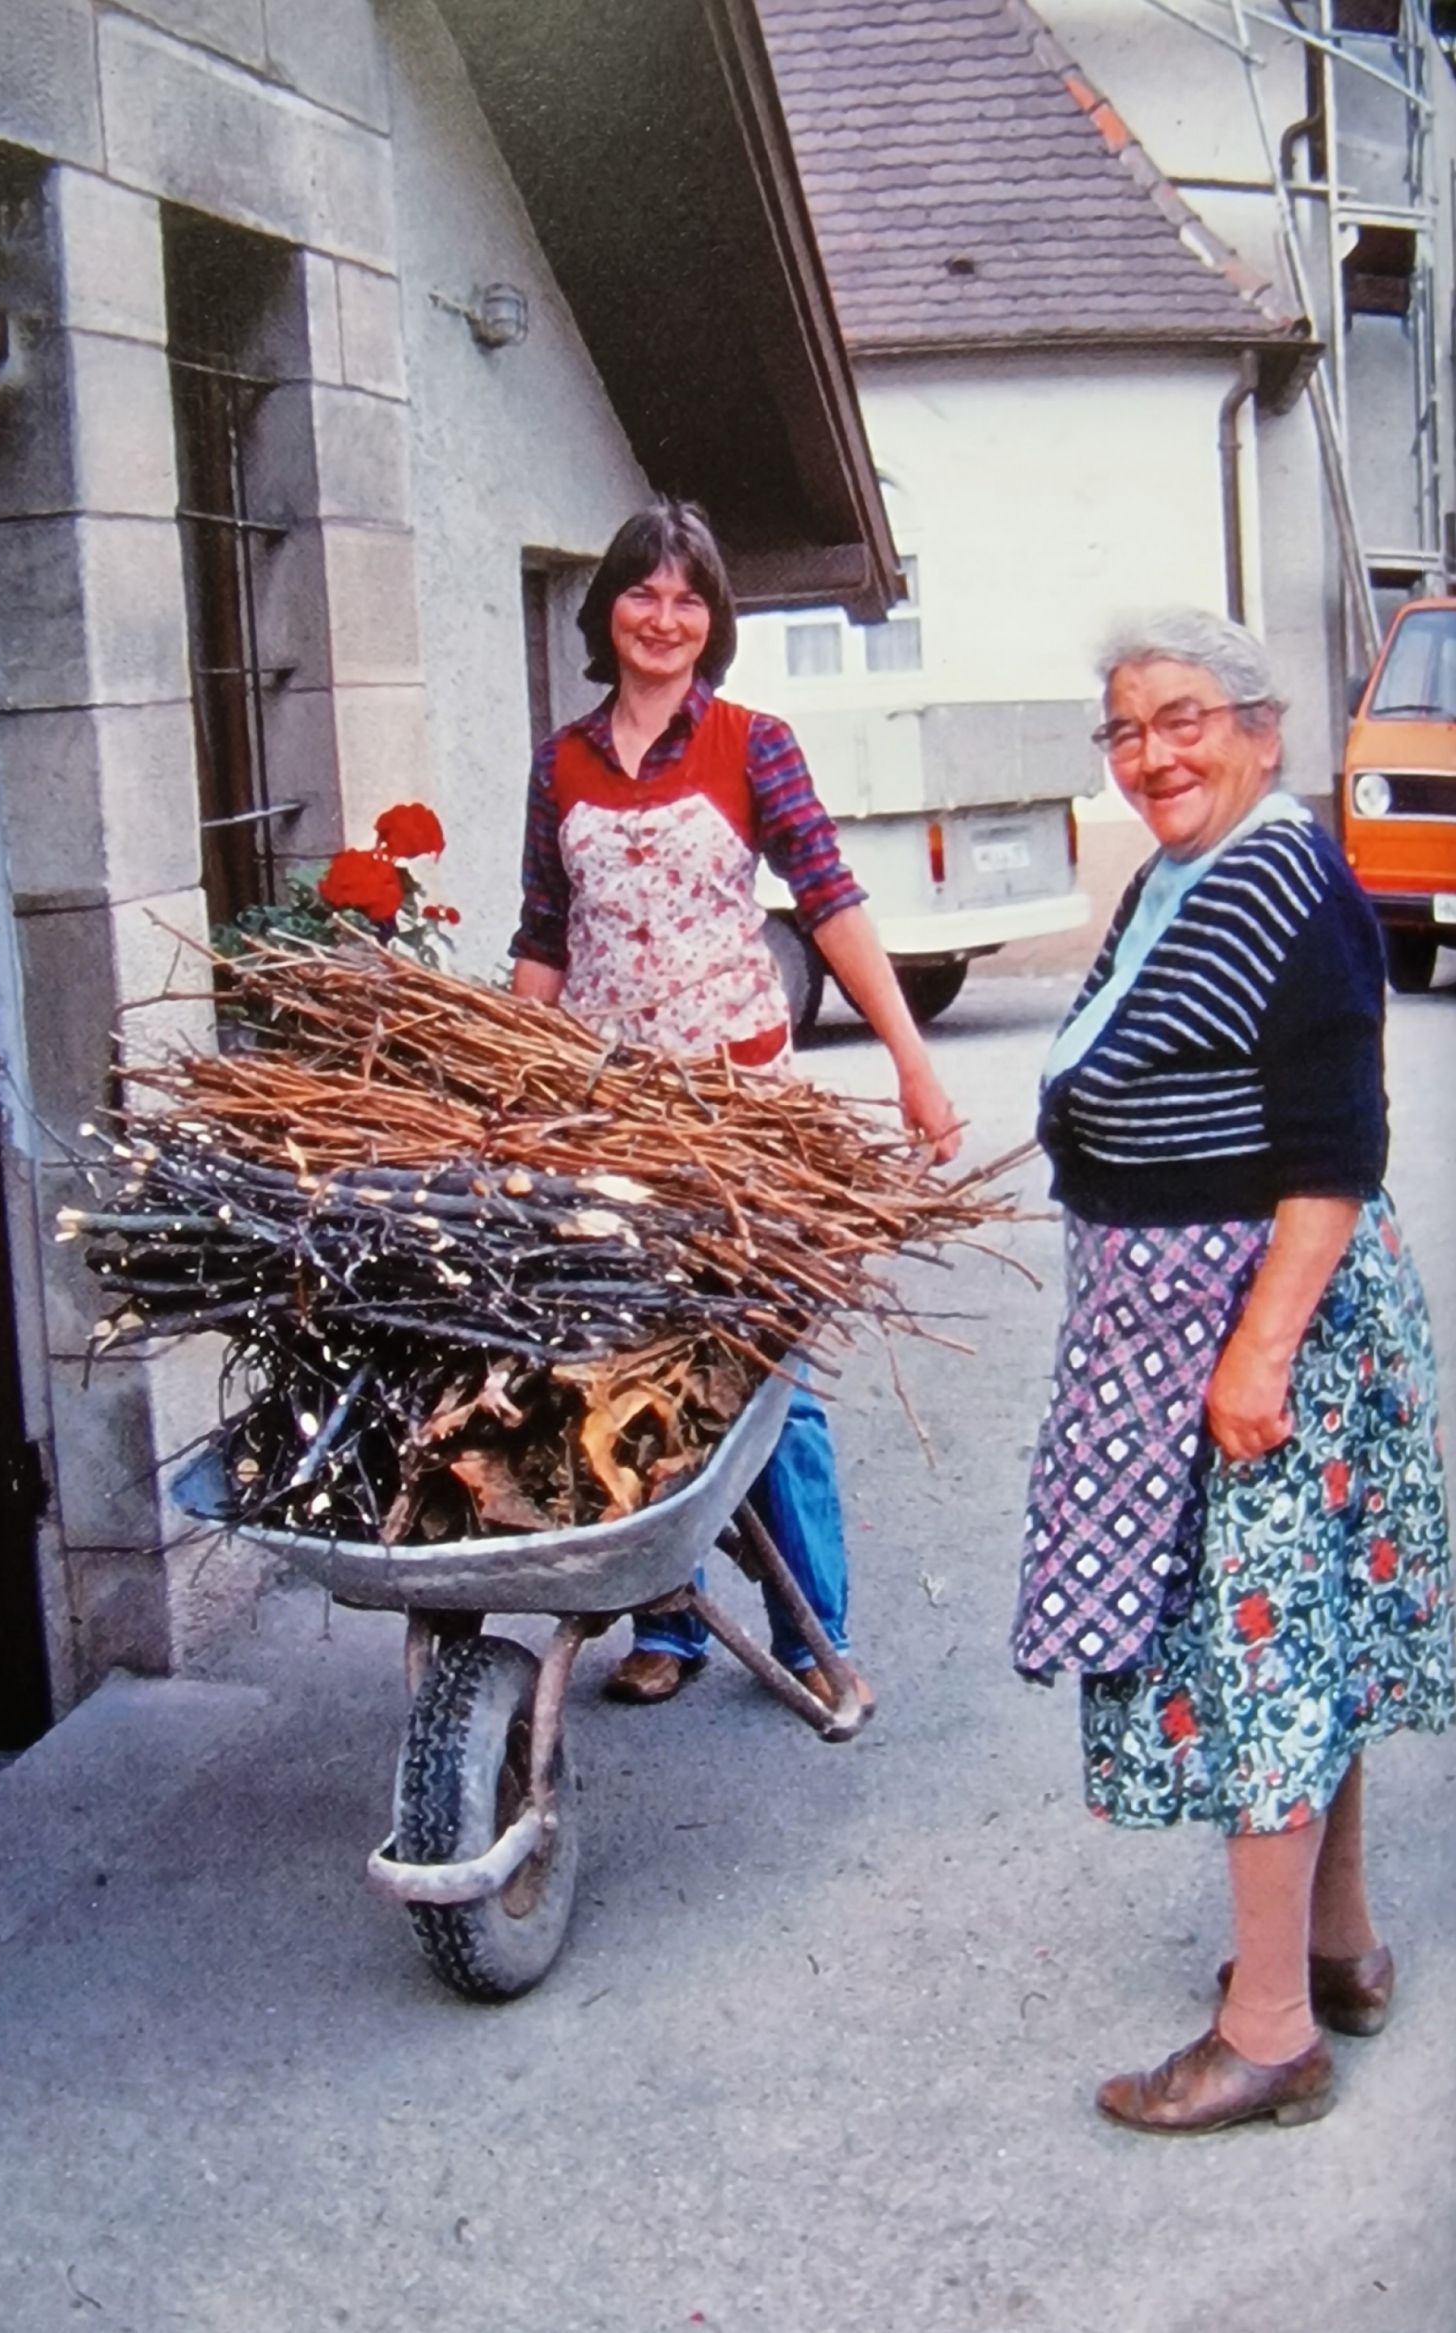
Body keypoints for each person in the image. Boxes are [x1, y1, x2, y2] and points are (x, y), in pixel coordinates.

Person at [1012, 608, 1453, 2134]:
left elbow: (1336, 1151)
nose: (1155, 754)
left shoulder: (1290, 880)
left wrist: (1257, 1354)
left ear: (1266, 731)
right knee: (1303, 1646)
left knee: (1262, 1656)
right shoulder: (1187, 872)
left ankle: (1268, 2030)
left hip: (1269, 1330)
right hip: (1198, 1314)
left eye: (1186, 717)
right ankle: (1335, 1948)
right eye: (1128, 729)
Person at [511, 498, 960, 1709]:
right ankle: (670, 1623)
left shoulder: (755, 741)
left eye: (689, 598)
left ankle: (812, 1625)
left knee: (770, 1371)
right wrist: (515, 1085)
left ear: (714, 622)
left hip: (738, 1110)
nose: (664, 618)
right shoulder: (562, 759)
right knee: (628, 1363)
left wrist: (911, 1059)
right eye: (644, 594)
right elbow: (545, 935)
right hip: (612, 1115)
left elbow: (828, 897)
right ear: (607, 605)